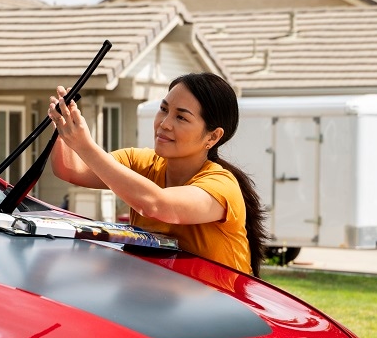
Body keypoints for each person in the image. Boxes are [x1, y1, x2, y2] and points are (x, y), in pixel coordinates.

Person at [48, 72, 267, 276]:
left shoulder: (221, 185)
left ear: (213, 137)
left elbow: (157, 205)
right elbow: (70, 170)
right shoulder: (140, 162)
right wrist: (63, 126)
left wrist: (85, 146)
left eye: (181, 118)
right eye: (164, 109)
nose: (164, 123)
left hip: (223, 308)